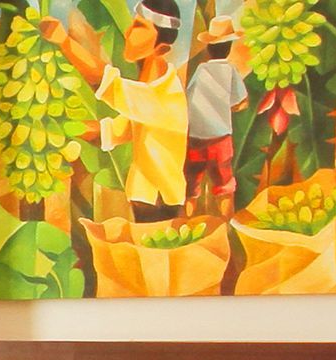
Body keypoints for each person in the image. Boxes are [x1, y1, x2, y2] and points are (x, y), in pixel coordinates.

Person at [47, 3, 192, 223]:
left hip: (160, 199)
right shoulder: (149, 94)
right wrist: (64, 127)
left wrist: (63, 41)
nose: (127, 32)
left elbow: (104, 82)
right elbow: (117, 131)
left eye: (139, 27)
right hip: (146, 196)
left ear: (161, 49)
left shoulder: (163, 96)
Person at [184, 16, 249, 214]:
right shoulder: (230, 70)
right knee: (224, 185)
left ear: (209, 48)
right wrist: (229, 108)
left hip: (197, 137)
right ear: (229, 48)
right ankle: (226, 224)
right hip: (220, 137)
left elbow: (189, 96)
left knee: (191, 187)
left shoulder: (201, 70)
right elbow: (242, 101)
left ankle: (187, 221)